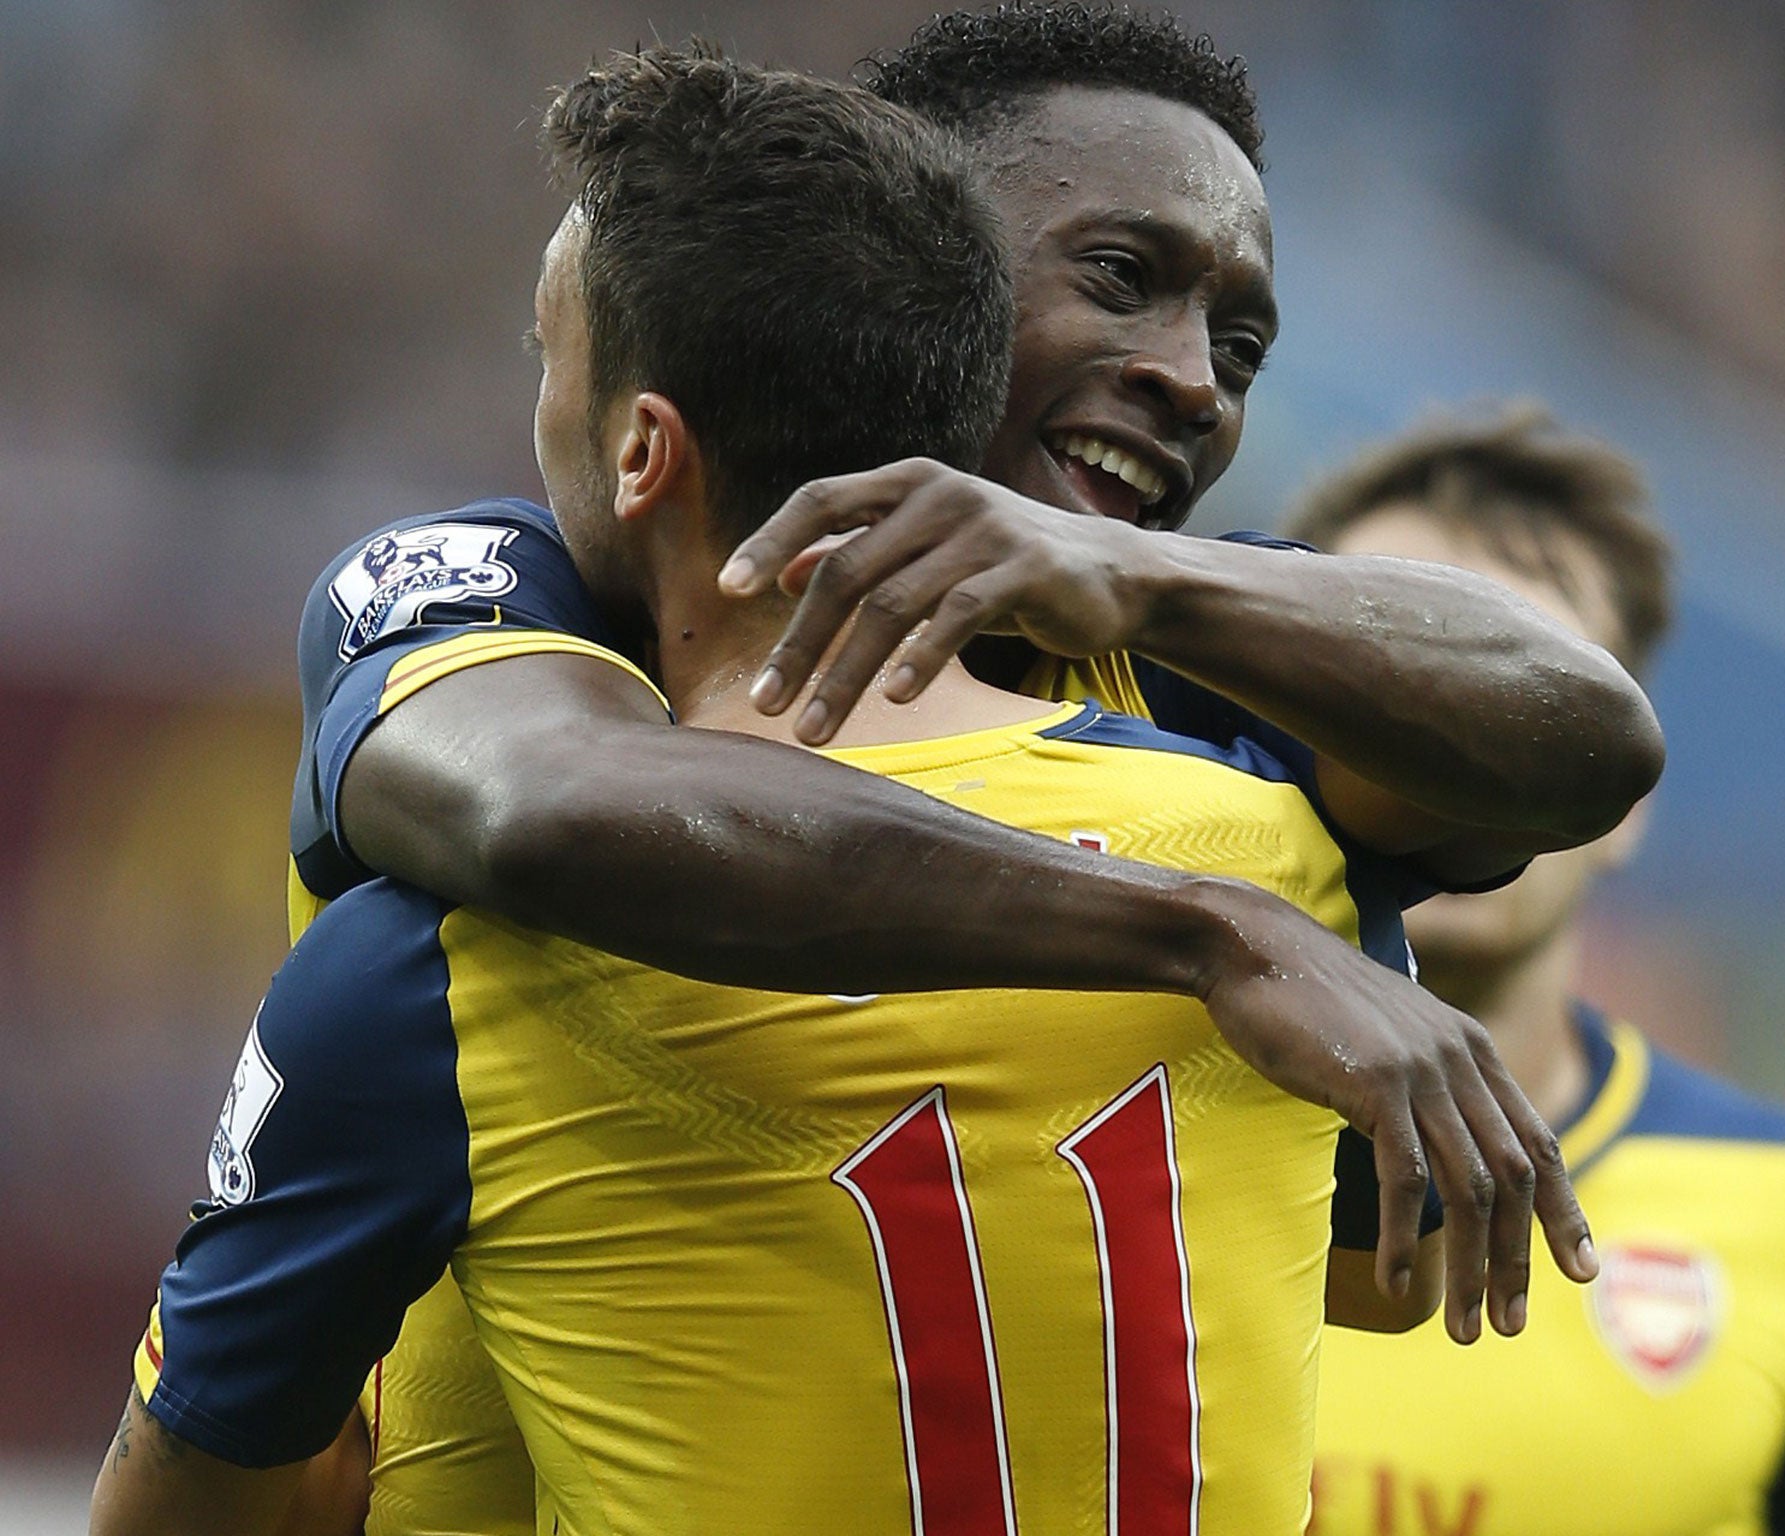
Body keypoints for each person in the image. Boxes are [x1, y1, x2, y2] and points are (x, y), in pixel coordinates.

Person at [246, 7, 1657, 1528]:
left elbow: (1586, 739)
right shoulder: (548, 584)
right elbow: (540, 807)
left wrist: (1138, 580)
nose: (1194, 380)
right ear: (923, 252)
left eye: (1238, 346)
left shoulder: (1181, 643)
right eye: (1121, 280)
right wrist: (1210, 933)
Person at [1296, 406, 1785, 1536]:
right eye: (1394, 675)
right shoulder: (1115, 1142)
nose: (1454, 755)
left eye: (1534, 706)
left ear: (1625, 802)